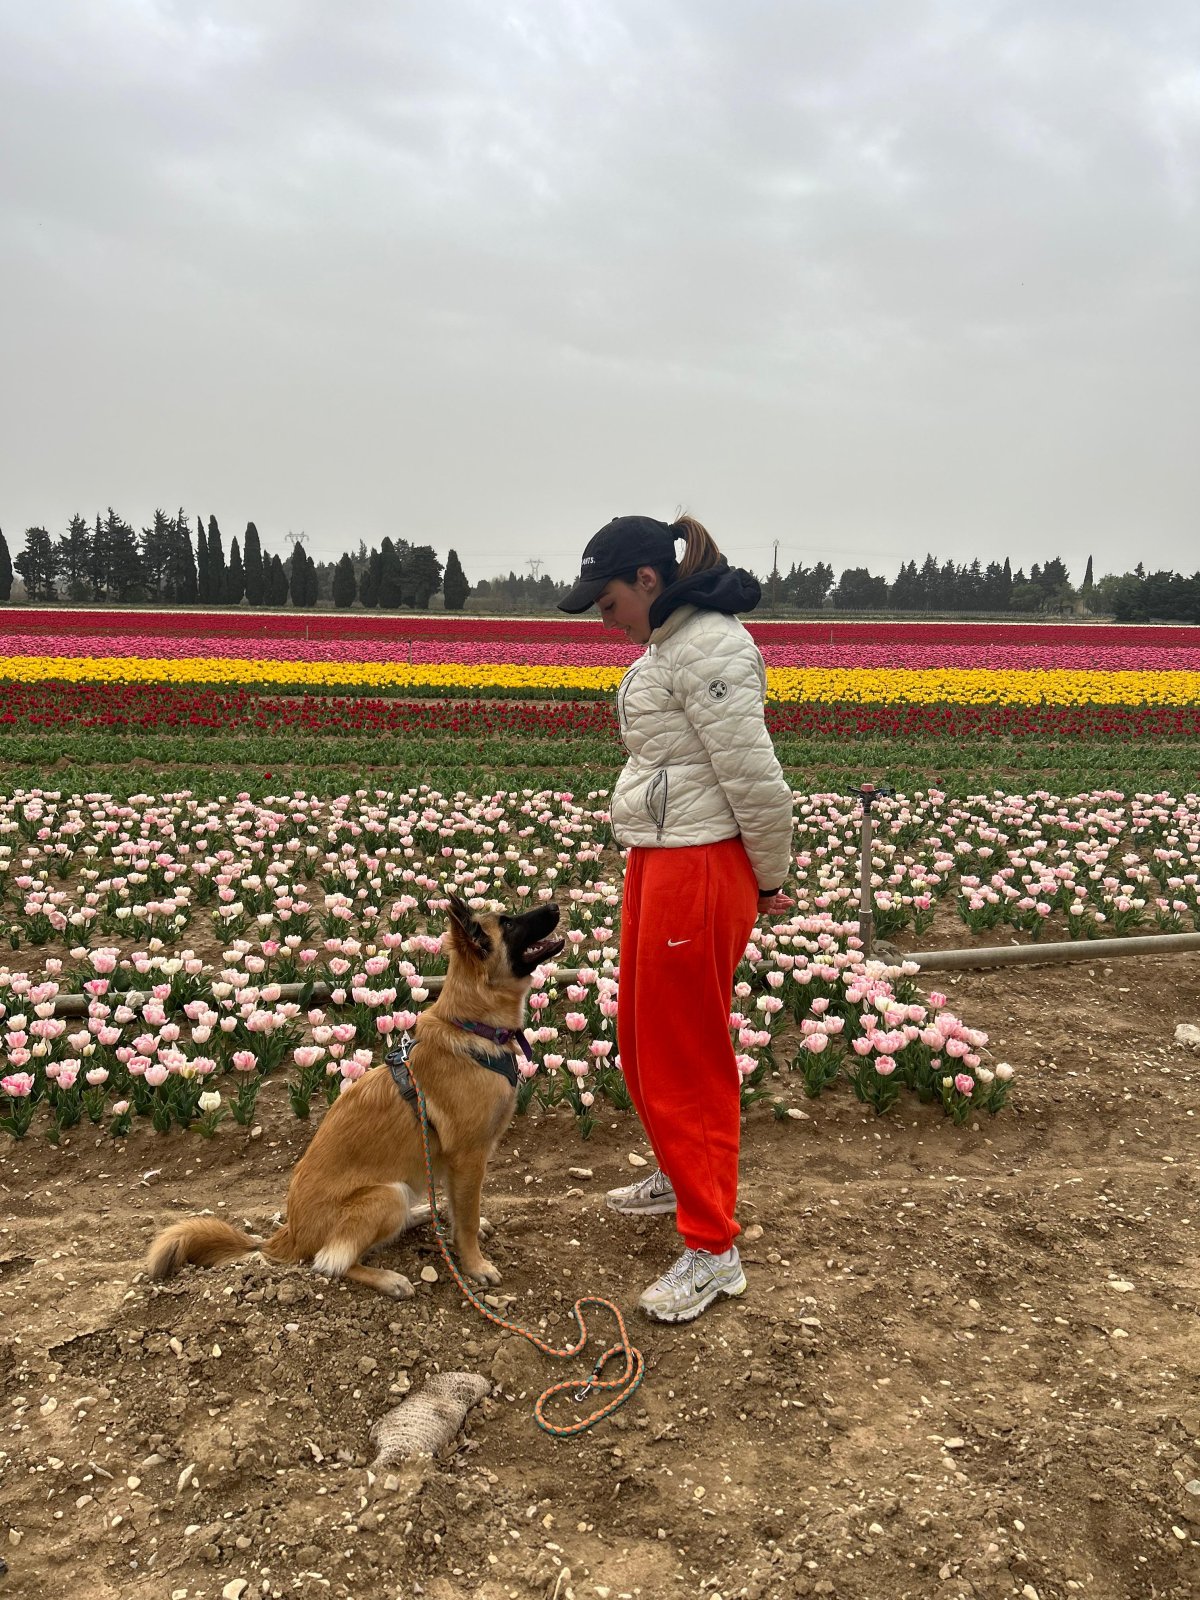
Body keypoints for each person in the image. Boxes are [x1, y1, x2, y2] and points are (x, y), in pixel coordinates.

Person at [558, 513, 795, 1322]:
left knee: (687, 1050)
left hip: (701, 862)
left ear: (649, 582)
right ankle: (679, 1173)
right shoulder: (673, 643)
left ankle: (712, 1248)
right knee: (645, 1035)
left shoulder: (710, 648)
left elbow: (757, 778)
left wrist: (769, 879)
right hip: (663, 851)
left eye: (607, 595)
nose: (601, 612)